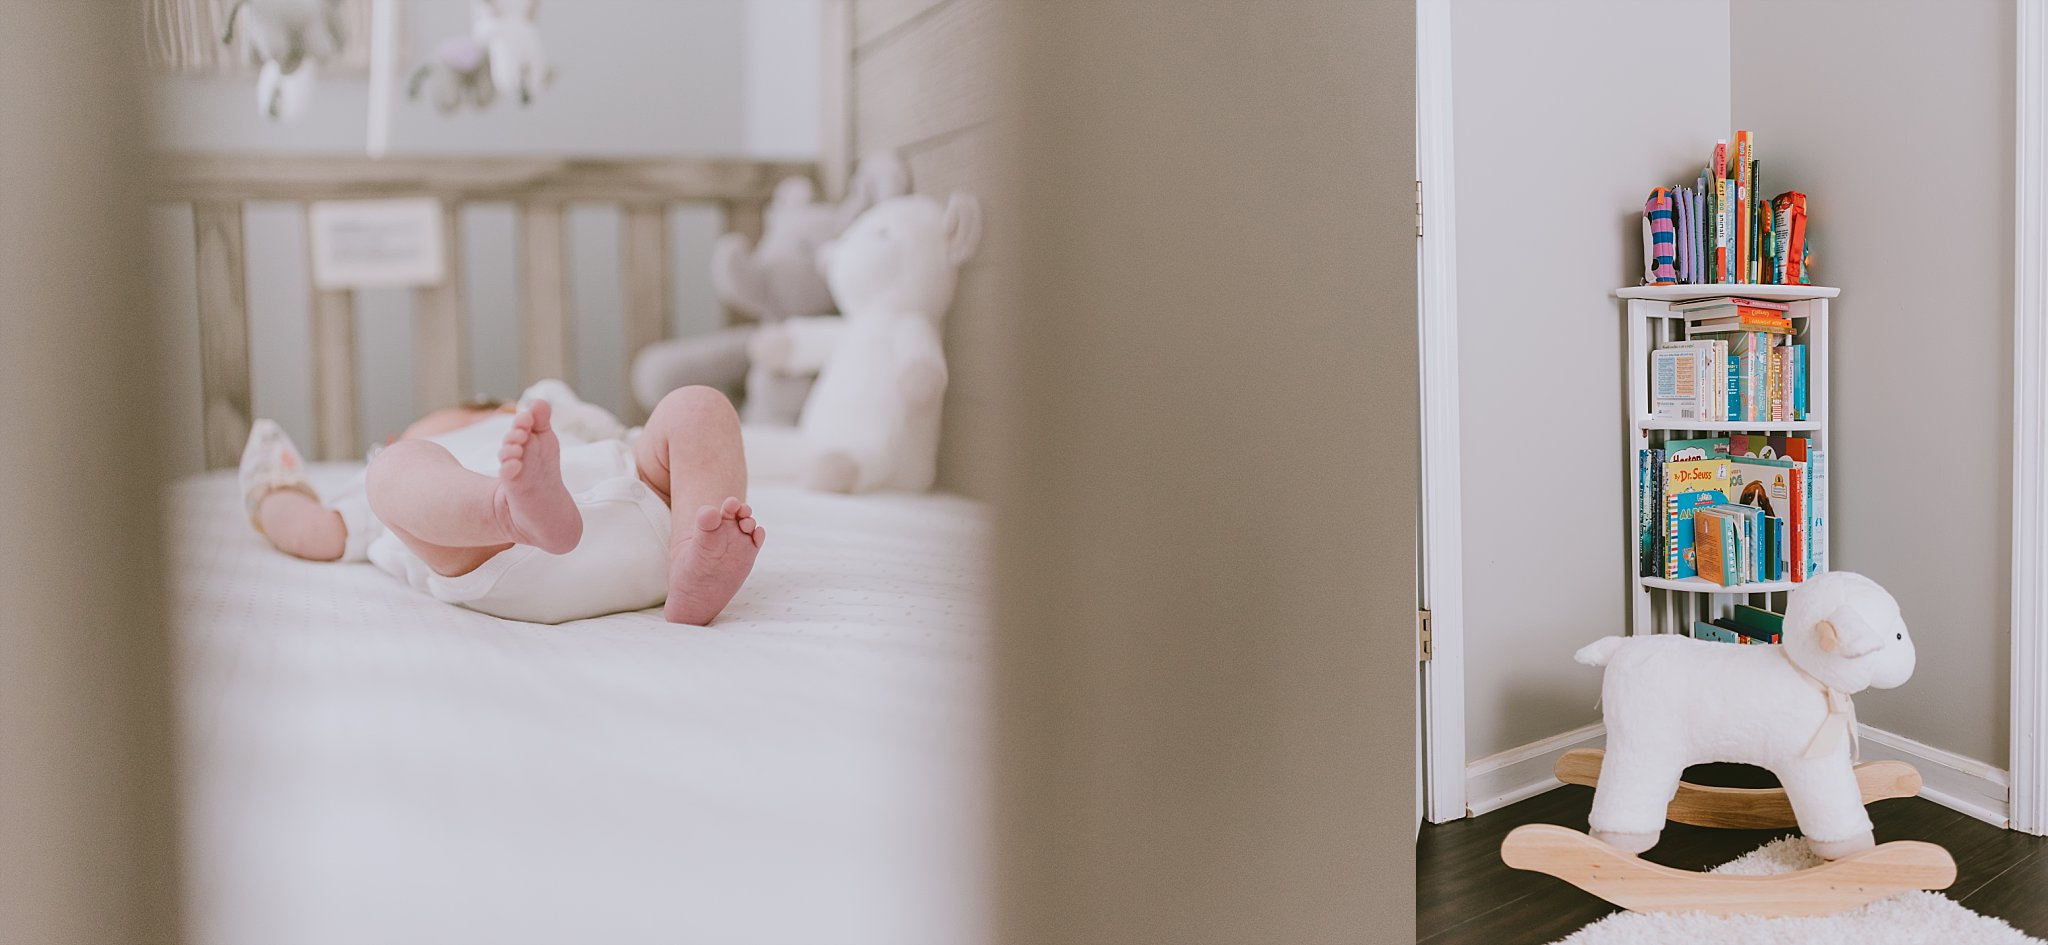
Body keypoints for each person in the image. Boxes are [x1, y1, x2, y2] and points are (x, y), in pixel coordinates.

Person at [237, 380, 763, 625]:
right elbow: (317, 531)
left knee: (697, 405)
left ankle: (695, 556)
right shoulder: (396, 459)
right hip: (490, 551)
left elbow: (631, 435)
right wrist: (275, 493)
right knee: (389, 476)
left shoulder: (556, 426)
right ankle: (505, 508)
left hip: (650, 510)